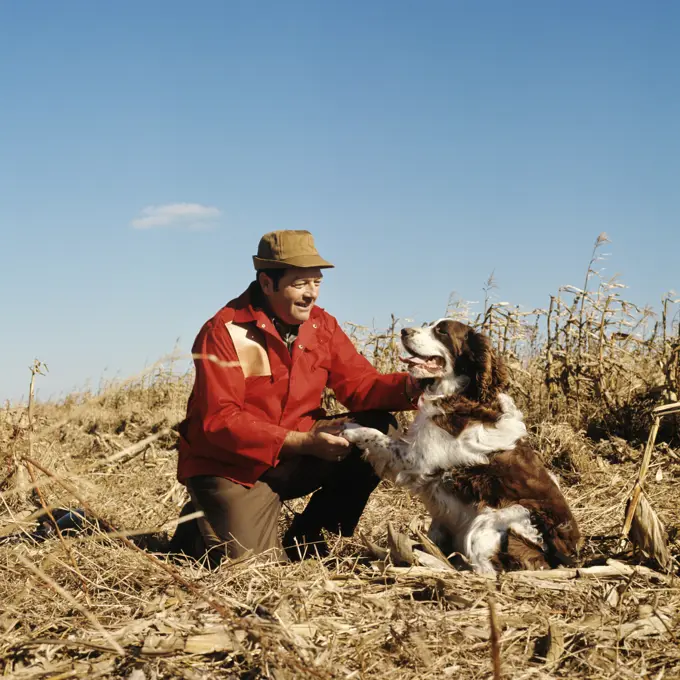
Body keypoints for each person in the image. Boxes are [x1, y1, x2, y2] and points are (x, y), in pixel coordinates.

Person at [169, 229, 421, 566]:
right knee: (253, 569)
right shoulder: (223, 331)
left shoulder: (321, 326)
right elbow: (221, 421)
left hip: (297, 453)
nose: (311, 295)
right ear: (267, 282)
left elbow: (360, 385)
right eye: (300, 284)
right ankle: (200, 527)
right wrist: (304, 442)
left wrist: (415, 386)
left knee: (377, 428)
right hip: (232, 468)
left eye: (316, 283)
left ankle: (313, 534)